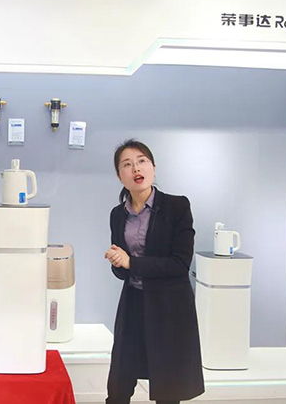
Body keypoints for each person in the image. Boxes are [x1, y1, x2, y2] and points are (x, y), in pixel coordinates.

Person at [104, 139, 205, 404]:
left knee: (168, 392)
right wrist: (118, 263)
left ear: (153, 168)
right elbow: (123, 272)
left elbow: (180, 264)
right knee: (118, 387)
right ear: (120, 176)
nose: (136, 168)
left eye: (142, 161)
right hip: (133, 305)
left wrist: (131, 263)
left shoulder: (177, 207)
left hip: (169, 308)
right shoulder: (117, 214)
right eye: (127, 164)